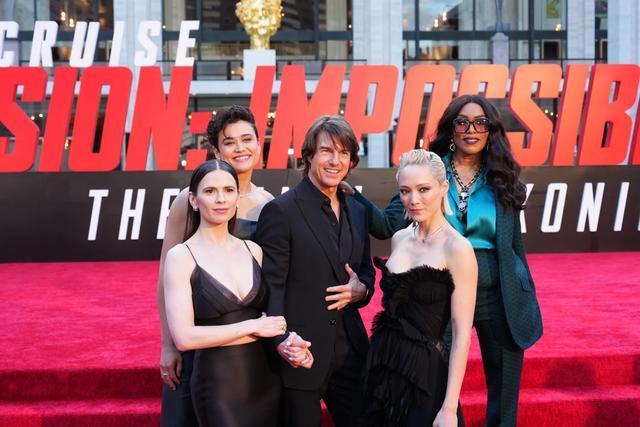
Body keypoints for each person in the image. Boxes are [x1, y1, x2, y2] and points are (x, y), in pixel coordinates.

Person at [345, 94, 543, 426]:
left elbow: (514, 246)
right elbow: (387, 225)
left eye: (480, 123)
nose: (471, 129)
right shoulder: (428, 173)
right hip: (441, 295)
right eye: (462, 122)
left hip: (499, 295)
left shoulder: (502, 177)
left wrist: (523, 293)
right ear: (451, 129)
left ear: (491, 130)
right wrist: (354, 196)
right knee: (436, 387)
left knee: (504, 399)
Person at [255, 115, 376, 427]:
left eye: (343, 153)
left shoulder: (358, 211)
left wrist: (362, 290)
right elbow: (271, 287)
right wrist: (281, 340)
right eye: (326, 151)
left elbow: (365, 271)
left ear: (352, 160)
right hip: (300, 354)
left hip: (351, 355)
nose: (335, 161)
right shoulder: (281, 211)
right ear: (308, 155)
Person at [157, 106, 274, 426]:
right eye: (229, 142)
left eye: (247, 139)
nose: (240, 148)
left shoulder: (269, 204)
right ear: (216, 150)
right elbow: (165, 278)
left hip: (247, 349)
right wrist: (168, 344)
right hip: (199, 342)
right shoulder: (187, 201)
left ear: (259, 145)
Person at [360, 149, 477, 426]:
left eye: (423, 189)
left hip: (425, 375)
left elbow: (462, 335)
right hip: (383, 363)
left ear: (443, 188)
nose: (413, 200)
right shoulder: (400, 238)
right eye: (405, 191)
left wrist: (449, 409)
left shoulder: (457, 248)